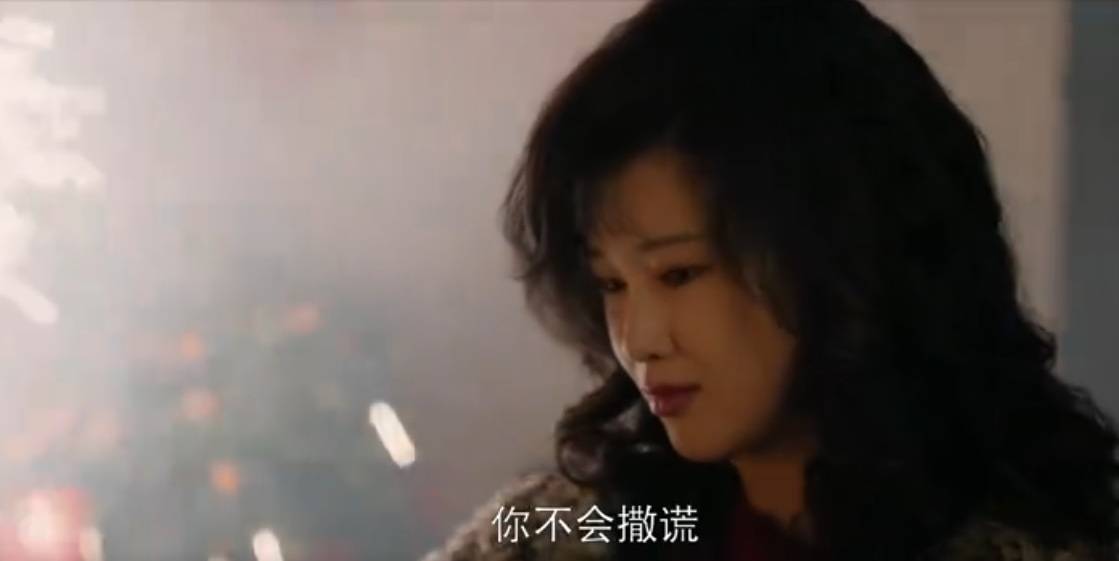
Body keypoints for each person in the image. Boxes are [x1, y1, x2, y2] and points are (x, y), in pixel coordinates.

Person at [420, 1, 1119, 560]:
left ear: (843, 252)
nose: (639, 338)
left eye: (679, 273)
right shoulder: (582, 530)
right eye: (611, 284)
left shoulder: (1038, 546)